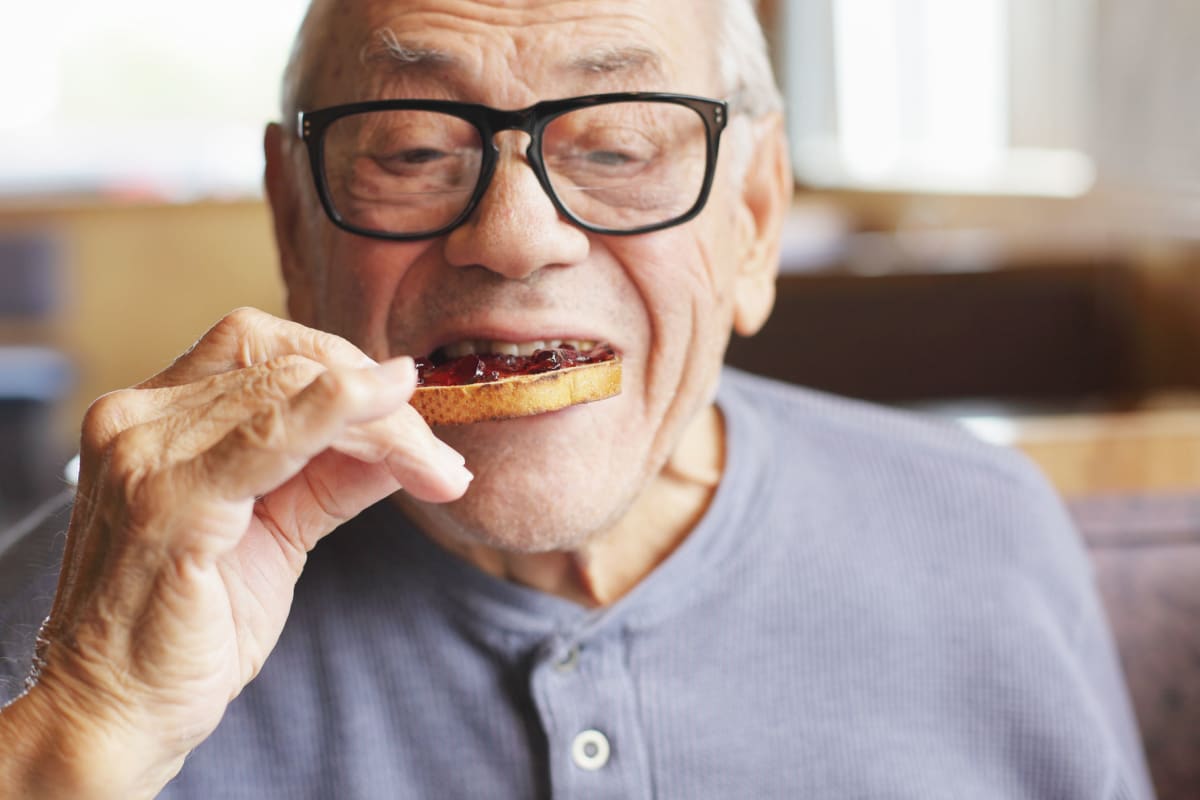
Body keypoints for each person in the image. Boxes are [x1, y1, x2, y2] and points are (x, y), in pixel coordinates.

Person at [0, 0, 1155, 797]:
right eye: (409, 150)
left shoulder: (987, 536)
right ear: (294, 224)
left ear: (753, 218)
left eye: (614, 146)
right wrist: (87, 731)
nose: (513, 235)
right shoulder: (83, 612)